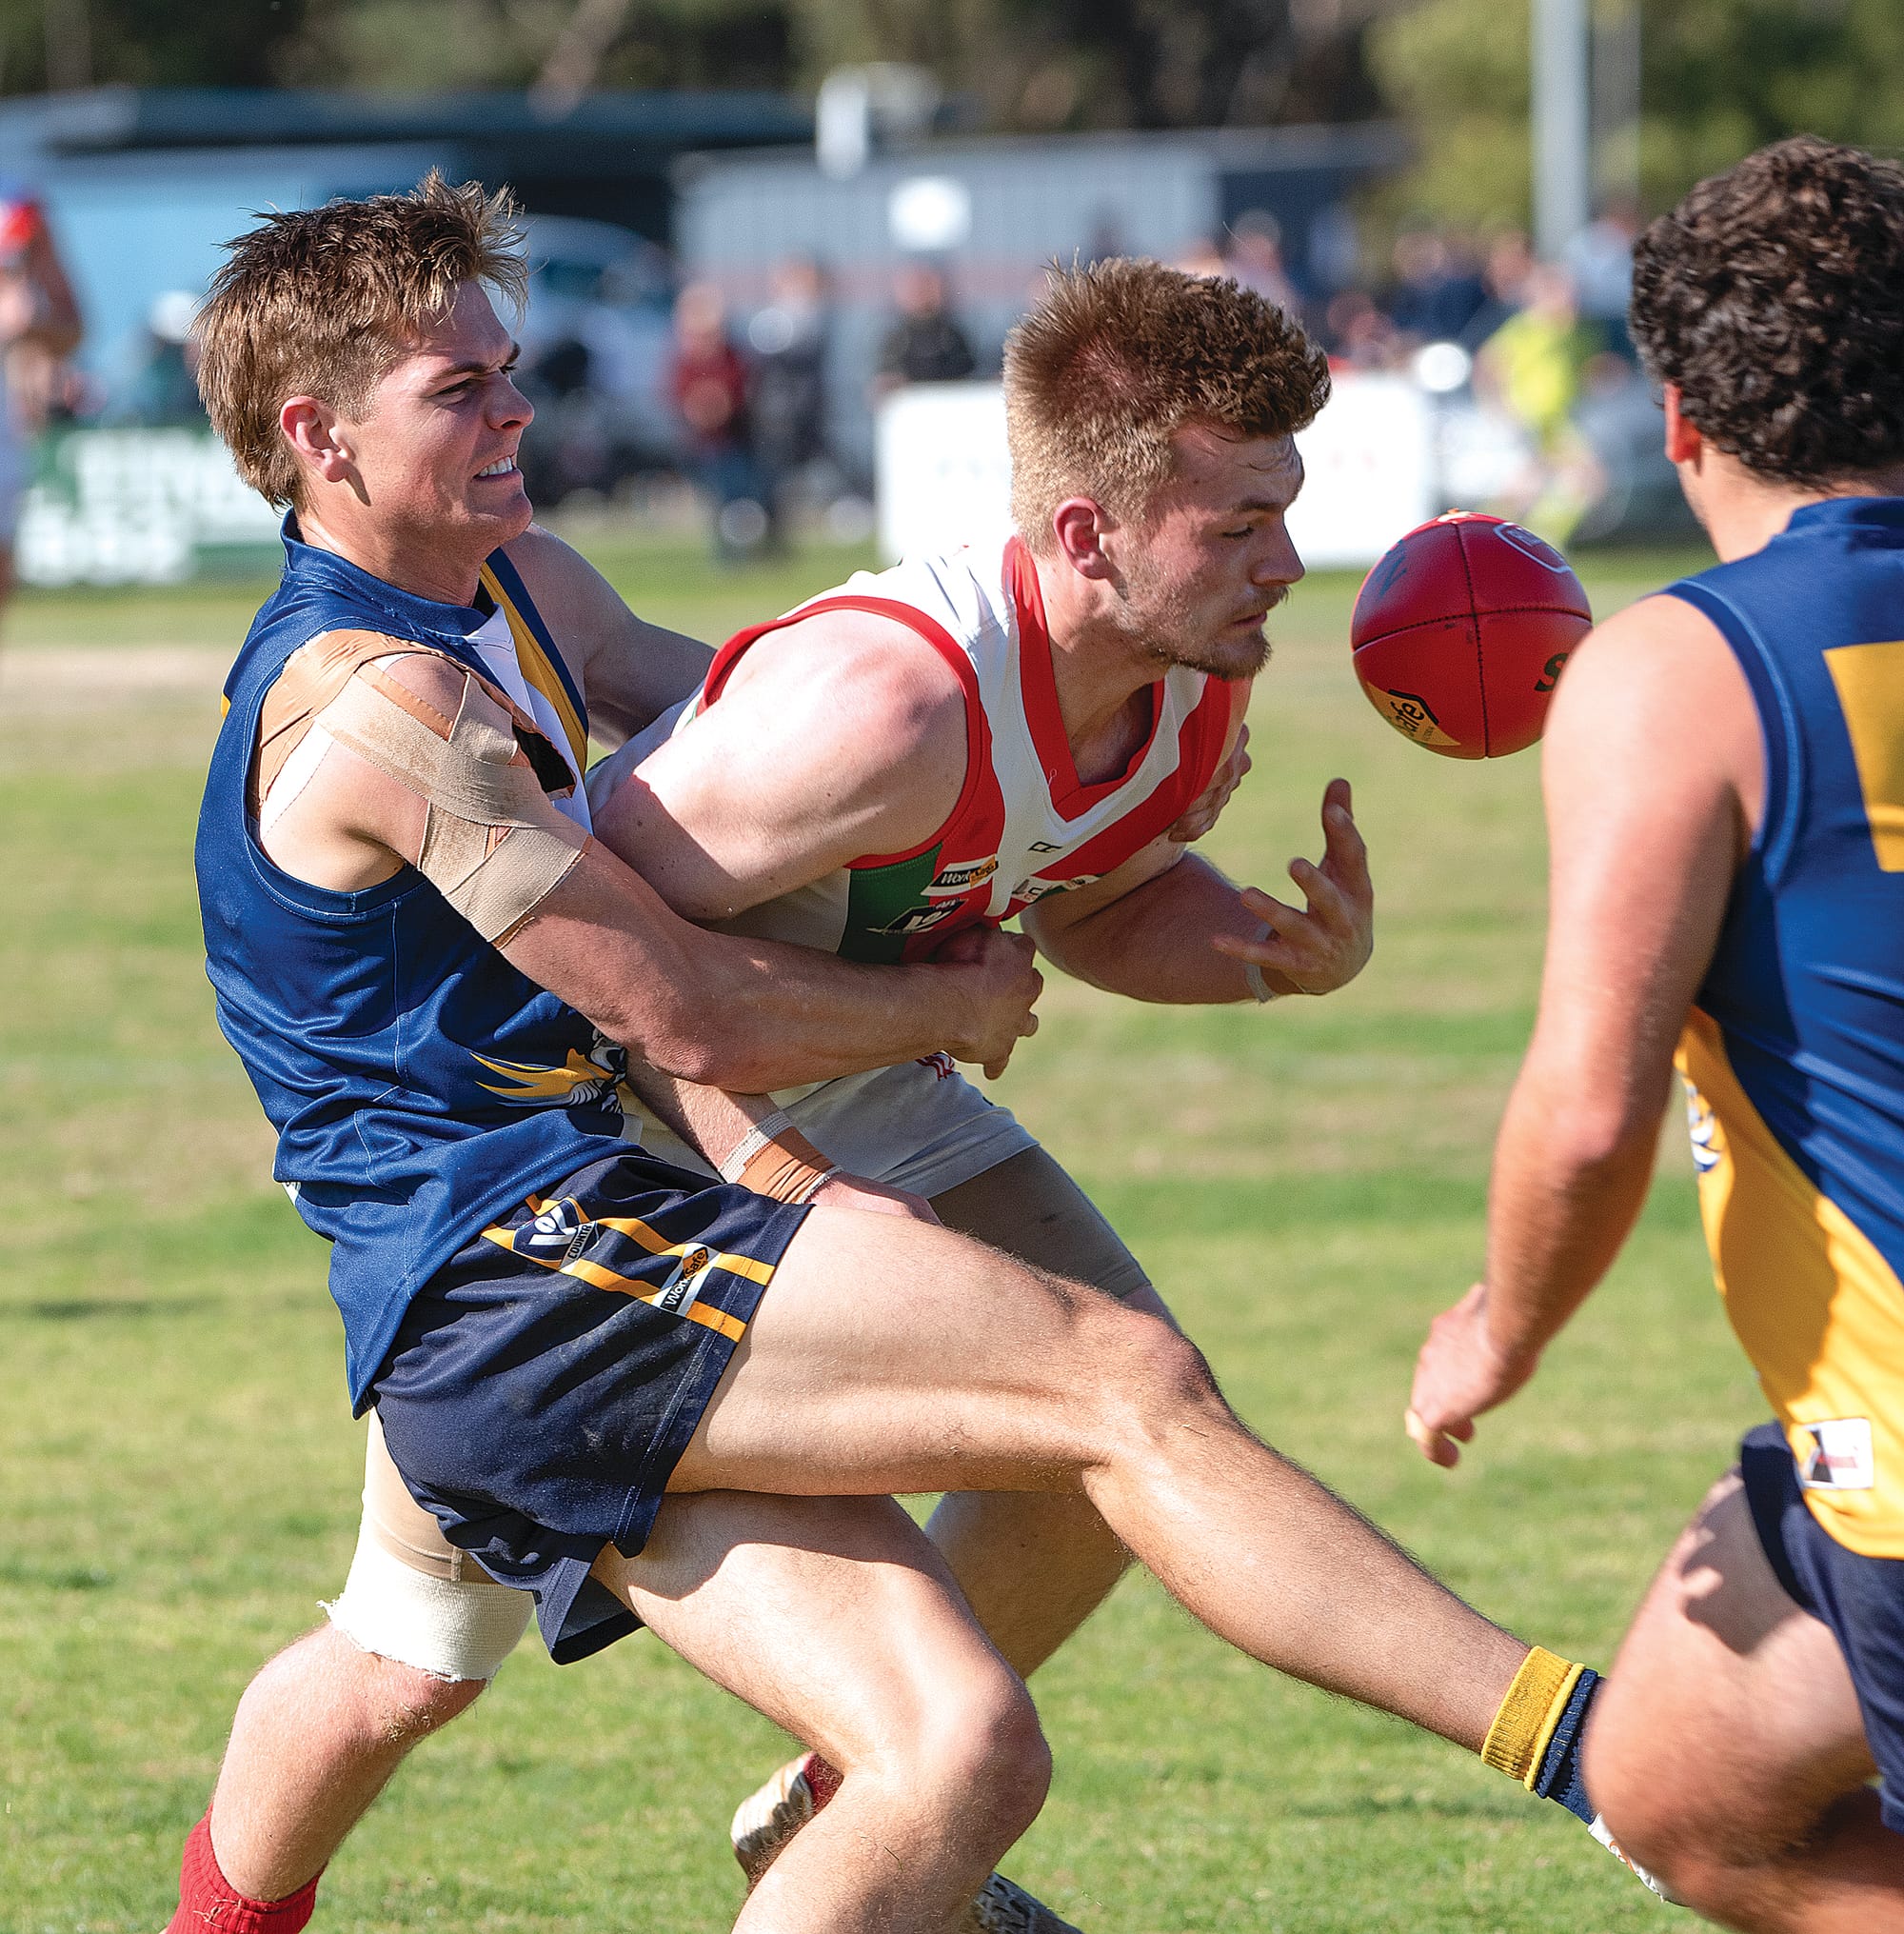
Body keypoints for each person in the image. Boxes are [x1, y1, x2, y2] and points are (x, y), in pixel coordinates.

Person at [170, 188, 1636, 1934]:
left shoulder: (523, 587)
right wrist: (943, 1006)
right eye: (458, 390)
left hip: (560, 1231)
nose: (518, 412)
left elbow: (765, 728)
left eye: (510, 374)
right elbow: (682, 1010)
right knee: (1116, 1393)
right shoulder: (371, 707)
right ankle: (1594, 1755)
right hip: (526, 1257)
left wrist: (1085, 815)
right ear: (316, 436)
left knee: (429, 1667)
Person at [1405, 136, 1904, 1932]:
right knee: (1681, 1792)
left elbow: (1590, 1110)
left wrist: (1500, 1328)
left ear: (1677, 416)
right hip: (1856, 1449)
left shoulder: (1684, 670)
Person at [873, 262, 978, 396]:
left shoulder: (953, 336)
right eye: (915, 287)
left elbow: (969, 375)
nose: (921, 292)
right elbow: (881, 381)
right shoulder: (894, 338)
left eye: (927, 285)